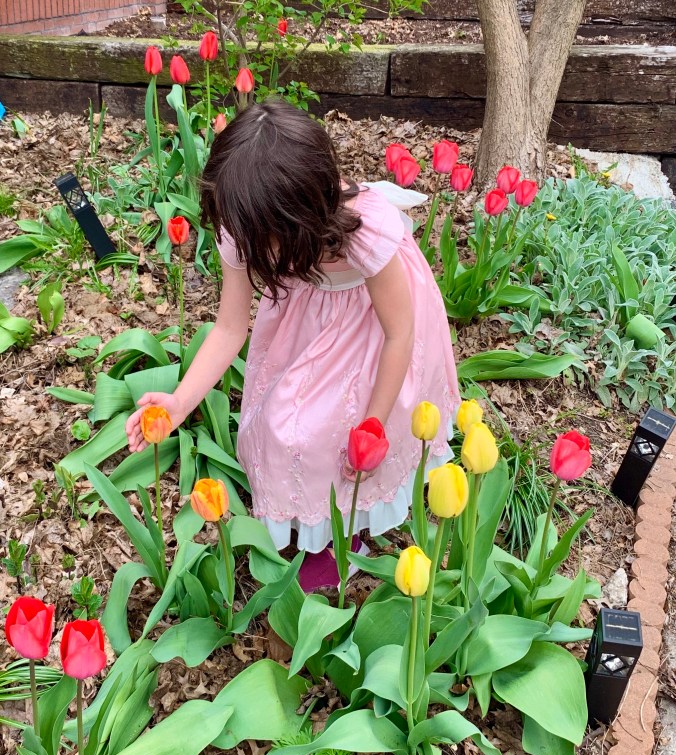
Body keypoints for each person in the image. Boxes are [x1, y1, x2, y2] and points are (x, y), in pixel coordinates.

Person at [126, 100, 460, 592]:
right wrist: (179, 402)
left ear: (304, 218)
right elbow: (228, 327)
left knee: (341, 438)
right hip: (305, 320)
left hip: (375, 328)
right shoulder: (247, 224)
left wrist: (374, 424)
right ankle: (306, 523)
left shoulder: (364, 232)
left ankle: (350, 532)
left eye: (266, 241)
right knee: (278, 427)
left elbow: (399, 334)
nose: (252, 250)